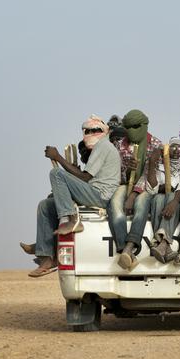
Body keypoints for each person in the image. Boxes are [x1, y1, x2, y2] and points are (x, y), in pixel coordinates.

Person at [27, 115, 120, 278]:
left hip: (99, 195)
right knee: (46, 205)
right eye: (88, 130)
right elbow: (84, 177)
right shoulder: (100, 147)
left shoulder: (103, 146)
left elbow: (85, 177)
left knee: (56, 174)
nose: (91, 133)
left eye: (95, 130)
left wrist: (58, 158)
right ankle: (46, 255)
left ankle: (70, 220)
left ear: (103, 132)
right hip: (92, 191)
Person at [111, 109, 162, 271]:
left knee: (141, 205)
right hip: (126, 184)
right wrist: (127, 170)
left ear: (144, 125)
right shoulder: (120, 145)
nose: (132, 131)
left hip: (146, 186)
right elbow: (117, 173)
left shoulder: (156, 145)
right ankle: (123, 249)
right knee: (114, 204)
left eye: (135, 126)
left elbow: (149, 173)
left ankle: (129, 247)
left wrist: (133, 195)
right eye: (128, 127)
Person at [149, 137, 180, 264]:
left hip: (176, 203)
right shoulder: (160, 167)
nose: (176, 151)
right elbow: (153, 187)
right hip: (160, 201)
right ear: (167, 151)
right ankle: (166, 247)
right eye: (173, 147)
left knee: (170, 196)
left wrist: (174, 202)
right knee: (158, 198)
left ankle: (162, 242)